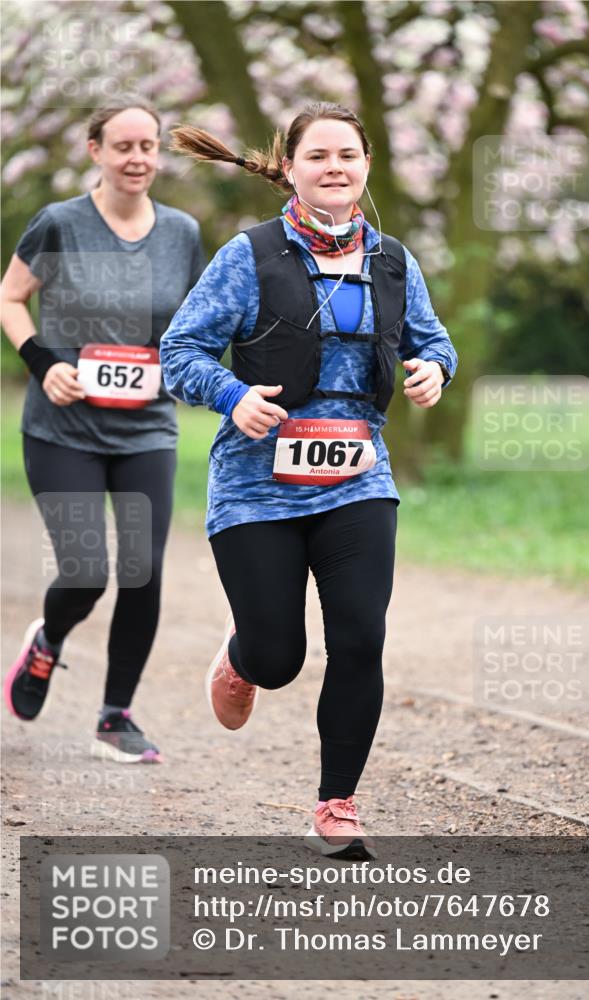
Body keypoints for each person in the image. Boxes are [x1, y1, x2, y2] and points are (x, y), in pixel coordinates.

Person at [160, 102, 457, 856]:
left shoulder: (392, 259)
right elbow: (180, 352)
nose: (334, 167)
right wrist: (232, 396)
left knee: (360, 635)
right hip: (256, 483)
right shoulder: (248, 256)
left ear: (365, 166)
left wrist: (433, 371)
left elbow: (432, 341)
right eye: (317, 155)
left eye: (347, 155)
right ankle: (243, 657)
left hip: (359, 474)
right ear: (289, 167)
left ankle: (337, 804)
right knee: (280, 656)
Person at [1, 99, 206, 763]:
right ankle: (47, 643)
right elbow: (10, 298)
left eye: (148, 146)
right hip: (63, 428)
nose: (138, 158)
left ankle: (116, 715)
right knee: (87, 571)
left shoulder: (181, 232)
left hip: (146, 426)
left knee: (143, 571)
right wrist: (43, 363)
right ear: (95, 150)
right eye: (122, 146)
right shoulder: (59, 223)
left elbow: (193, 326)